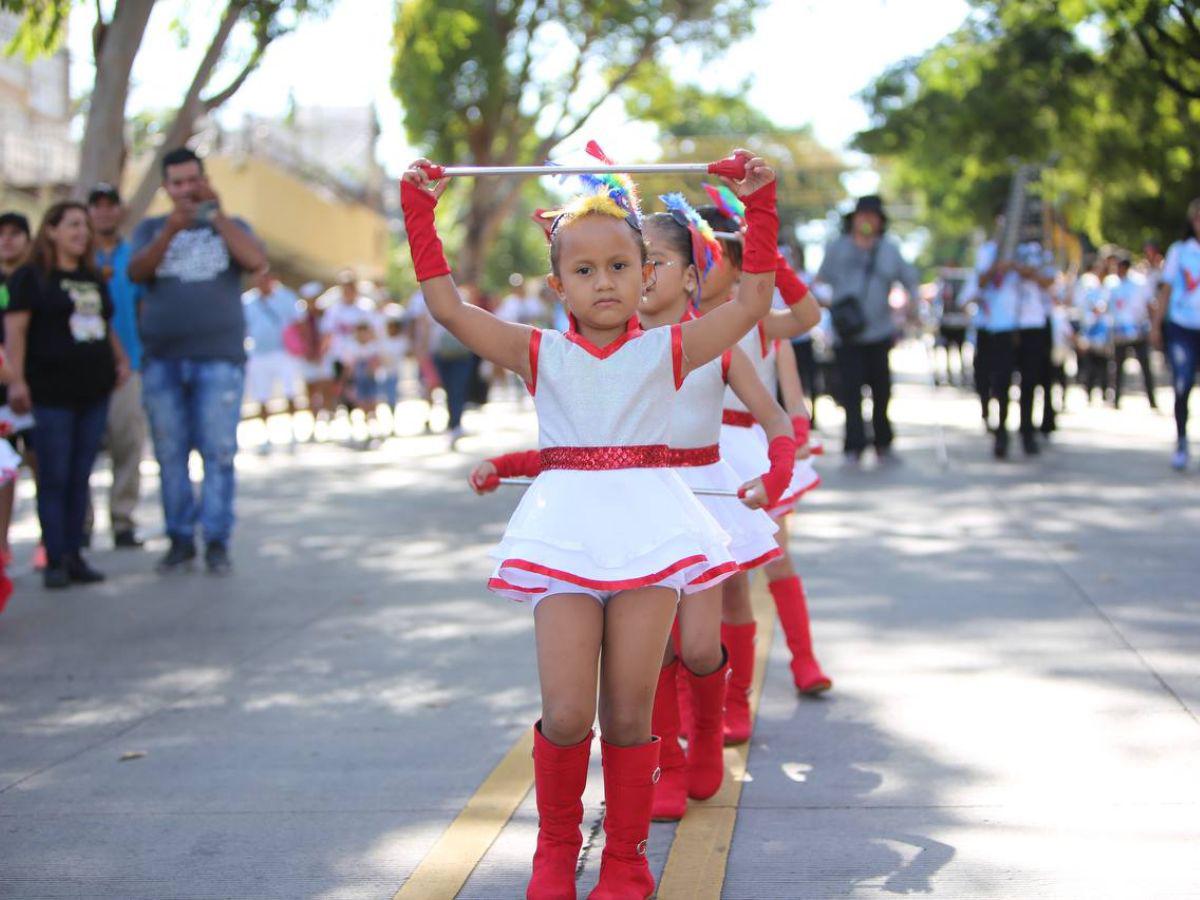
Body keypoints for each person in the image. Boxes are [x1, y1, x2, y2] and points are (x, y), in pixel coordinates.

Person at [401, 148, 777, 898]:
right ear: (557, 284)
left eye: (618, 266)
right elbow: (446, 307)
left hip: (649, 529)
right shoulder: (537, 352)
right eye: (583, 270)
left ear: (647, 276)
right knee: (568, 713)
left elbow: (751, 304)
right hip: (565, 535)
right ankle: (554, 850)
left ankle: (627, 858)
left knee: (630, 712)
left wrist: (761, 203)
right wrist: (420, 210)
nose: (602, 282)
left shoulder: (669, 348)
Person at [128, 147, 267, 575]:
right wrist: (170, 231)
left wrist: (217, 214)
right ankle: (180, 539)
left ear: (204, 180)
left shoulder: (231, 225)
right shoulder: (152, 228)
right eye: (178, 183)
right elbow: (135, 273)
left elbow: (256, 261)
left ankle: (217, 541)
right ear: (166, 188)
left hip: (219, 359)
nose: (186, 190)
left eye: (193, 180)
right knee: (170, 454)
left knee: (219, 452)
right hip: (163, 360)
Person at [4, 202, 130, 588]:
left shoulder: (92, 276)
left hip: (93, 388)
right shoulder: (32, 277)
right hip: (50, 392)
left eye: (85, 227)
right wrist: (17, 380)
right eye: (73, 225)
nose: (82, 233)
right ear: (52, 230)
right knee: (54, 475)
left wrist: (120, 360)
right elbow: (16, 332)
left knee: (81, 475)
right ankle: (54, 556)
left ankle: (75, 554)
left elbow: (105, 325)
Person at [816, 195, 919, 464]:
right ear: (854, 219)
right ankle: (853, 443)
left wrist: (912, 307)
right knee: (850, 392)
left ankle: (883, 440)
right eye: (863, 216)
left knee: (881, 390)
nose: (867, 221)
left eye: (873, 217)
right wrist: (827, 305)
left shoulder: (889, 250)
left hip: (879, 331)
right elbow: (819, 282)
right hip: (846, 334)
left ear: (880, 221)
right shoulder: (837, 248)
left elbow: (910, 280)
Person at [87, 184, 148, 548]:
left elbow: (144, 309)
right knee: (82, 450)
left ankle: (123, 520)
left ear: (120, 212)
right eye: (98, 206)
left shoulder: (134, 257)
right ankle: (80, 525)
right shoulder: (76, 258)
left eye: (112, 206)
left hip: (130, 366)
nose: (105, 213)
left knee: (128, 445)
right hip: (83, 370)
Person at [1152, 196, 1200, 470]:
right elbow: (1166, 289)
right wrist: (1156, 325)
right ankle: (1181, 440)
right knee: (1182, 385)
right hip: (1182, 326)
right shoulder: (1179, 252)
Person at [0, 211, 35, 571]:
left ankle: (48, 538)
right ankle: (2, 542)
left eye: (14, 233)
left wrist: (18, 378)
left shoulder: (34, 279)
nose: (6, 240)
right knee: (5, 469)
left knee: (39, 461)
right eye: (1, 234)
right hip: (2, 392)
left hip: (30, 387)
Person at [242, 270, 303, 454]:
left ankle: (293, 432)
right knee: (261, 396)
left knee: (290, 392)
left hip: (283, 352)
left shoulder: (286, 297)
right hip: (259, 354)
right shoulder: (247, 302)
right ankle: (266, 436)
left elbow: (299, 321)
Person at [1109, 256, 1157, 410]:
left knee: (1145, 367)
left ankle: (1152, 399)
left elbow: (1150, 305)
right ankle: (1115, 399)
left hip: (1138, 330)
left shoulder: (1140, 283)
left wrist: (1154, 327)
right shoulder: (1112, 285)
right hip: (1120, 332)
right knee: (1117, 367)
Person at [295, 281, 334, 440]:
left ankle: (328, 424)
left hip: (324, 357)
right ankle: (314, 425)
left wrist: (320, 353)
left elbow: (328, 335)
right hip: (308, 358)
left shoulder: (327, 314)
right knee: (311, 392)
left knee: (326, 390)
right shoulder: (301, 315)